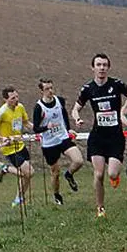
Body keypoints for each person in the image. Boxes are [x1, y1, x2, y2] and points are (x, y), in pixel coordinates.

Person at [73, 53, 127, 217]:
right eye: (99, 65)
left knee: (112, 173)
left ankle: (116, 175)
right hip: (97, 137)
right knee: (99, 173)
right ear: (93, 68)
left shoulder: (116, 84)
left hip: (115, 137)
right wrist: (77, 118)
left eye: (105, 65)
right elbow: (75, 108)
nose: (102, 68)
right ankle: (100, 207)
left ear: (108, 68)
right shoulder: (88, 89)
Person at [32, 78, 83, 206]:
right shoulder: (39, 107)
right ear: (41, 91)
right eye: (47, 89)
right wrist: (46, 127)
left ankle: (69, 174)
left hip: (63, 137)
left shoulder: (59, 100)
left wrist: (68, 128)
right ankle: (57, 196)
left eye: (51, 88)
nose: (50, 91)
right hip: (49, 143)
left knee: (78, 160)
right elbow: (35, 129)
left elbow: (64, 114)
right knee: (55, 172)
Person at [0, 87, 34, 206]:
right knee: (29, 172)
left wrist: (40, 129)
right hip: (9, 148)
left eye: (17, 97)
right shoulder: (2, 112)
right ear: (5, 99)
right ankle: (5, 168)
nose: (16, 100)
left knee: (25, 175)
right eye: (13, 98)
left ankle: (18, 199)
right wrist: (0, 137)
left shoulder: (20, 107)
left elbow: (26, 122)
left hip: (20, 145)